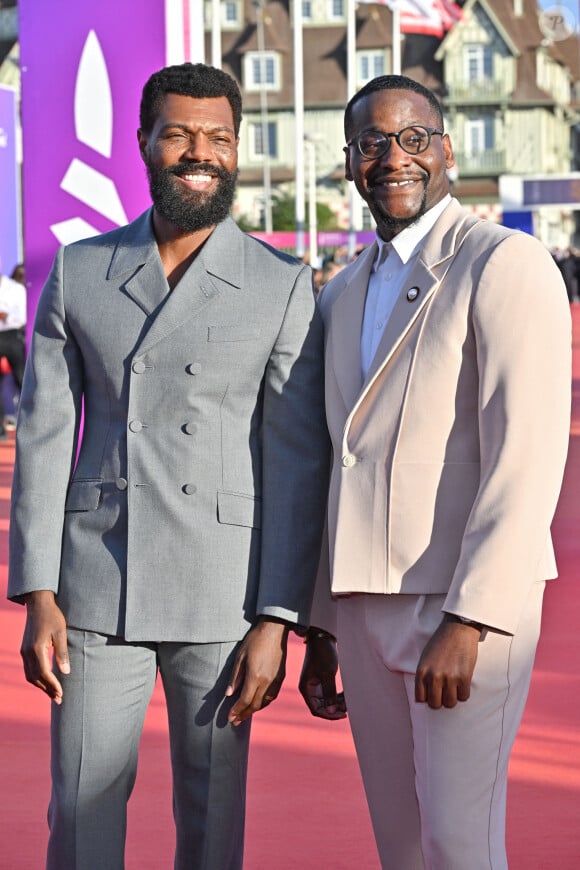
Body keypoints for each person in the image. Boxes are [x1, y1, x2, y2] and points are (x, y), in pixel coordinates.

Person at [8, 62, 329, 870]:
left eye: (219, 137)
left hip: (224, 591)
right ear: (144, 142)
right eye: (180, 133)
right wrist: (38, 594)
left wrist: (277, 618)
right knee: (80, 814)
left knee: (214, 824)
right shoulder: (81, 270)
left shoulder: (280, 282)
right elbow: (45, 435)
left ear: (237, 148)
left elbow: (294, 462)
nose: (201, 152)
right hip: (94, 582)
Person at [299, 74, 571, 870]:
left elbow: (525, 453)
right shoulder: (341, 290)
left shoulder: (505, 263)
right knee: (403, 845)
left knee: (460, 842)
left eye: (413, 138)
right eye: (372, 143)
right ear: (350, 163)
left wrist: (474, 617)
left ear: (446, 150)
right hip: (360, 608)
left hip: (458, 608)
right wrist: (321, 623)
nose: (394, 158)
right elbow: (333, 461)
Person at [0, 259, 26, 438]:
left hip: (12, 336)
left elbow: (22, 316)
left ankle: (30, 424)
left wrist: (5, 315)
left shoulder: (16, 288)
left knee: (22, 379)